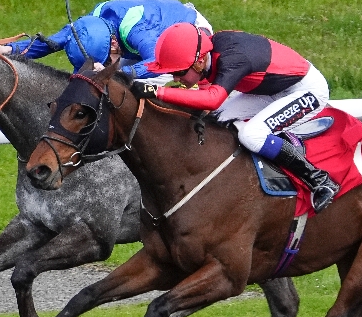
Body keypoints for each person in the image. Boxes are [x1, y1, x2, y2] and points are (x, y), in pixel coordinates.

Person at [131, 23, 341, 213]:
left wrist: (157, 91)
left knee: (252, 135)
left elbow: (212, 99)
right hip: (270, 89)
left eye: (178, 72)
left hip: (305, 90)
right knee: (216, 119)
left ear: (199, 62)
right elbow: (207, 101)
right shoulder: (208, 54)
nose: (175, 78)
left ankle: (320, 180)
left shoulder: (233, 59)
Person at [0, 0, 212, 84]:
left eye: (103, 61)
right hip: (142, 43)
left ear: (113, 43)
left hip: (189, 35)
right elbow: (46, 45)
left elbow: (155, 63)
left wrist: (115, 71)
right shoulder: (85, 27)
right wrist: (6, 49)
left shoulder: (138, 32)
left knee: (129, 82)